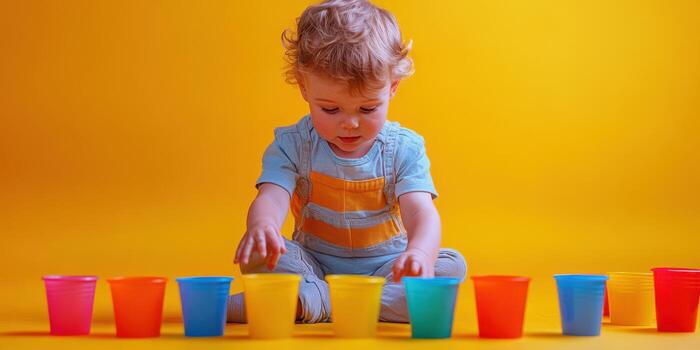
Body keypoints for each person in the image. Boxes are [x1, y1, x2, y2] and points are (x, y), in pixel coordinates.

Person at [228, 0, 466, 323]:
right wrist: (263, 226)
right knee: (259, 251)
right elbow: (271, 196)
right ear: (304, 87)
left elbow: (422, 213)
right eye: (330, 109)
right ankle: (339, 300)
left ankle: (308, 302)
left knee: (450, 265)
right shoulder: (293, 144)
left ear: (392, 87)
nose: (350, 123)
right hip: (312, 265)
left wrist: (420, 254)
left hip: (385, 270)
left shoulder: (404, 149)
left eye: (367, 109)